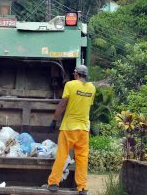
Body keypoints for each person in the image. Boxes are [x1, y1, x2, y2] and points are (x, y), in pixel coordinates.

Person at [47, 65, 96, 195]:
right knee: (82, 158)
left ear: (76, 74)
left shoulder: (70, 85)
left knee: (62, 155)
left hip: (69, 128)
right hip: (84, 129)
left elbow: (63, 104)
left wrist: (54, 120)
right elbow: (87, 108)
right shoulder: (92, 88)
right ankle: (82, 187)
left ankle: (53, 183)